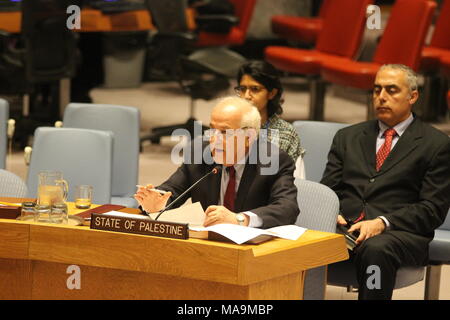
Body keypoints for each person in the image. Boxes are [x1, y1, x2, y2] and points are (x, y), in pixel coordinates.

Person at [321, 64, 450, 300]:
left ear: (413, 96)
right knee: (293, 237)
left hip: (398, 234)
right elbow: (328, 189)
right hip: (344, 227)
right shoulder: (347, 137)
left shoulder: (436, 145)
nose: (381, 97)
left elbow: (432, 209)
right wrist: (333, 212)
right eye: (377, 90)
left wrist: (382, 222)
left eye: (392, 90)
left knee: (376, 250)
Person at [135, 96, 299, 228]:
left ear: (249, 137)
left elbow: (287, 208)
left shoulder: (274, 160)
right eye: (212, 129)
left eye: (224, 132)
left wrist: (239, 219)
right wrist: (156, 204)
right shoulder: (199, 153)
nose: (215, 139)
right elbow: (171, 191)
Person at [236, 60, 303, 164]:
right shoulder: (229, 125)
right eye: (242, 89)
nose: (246, 96)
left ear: (272, 93)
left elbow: (294, 178)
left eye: (255, 89)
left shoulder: (286, 134)